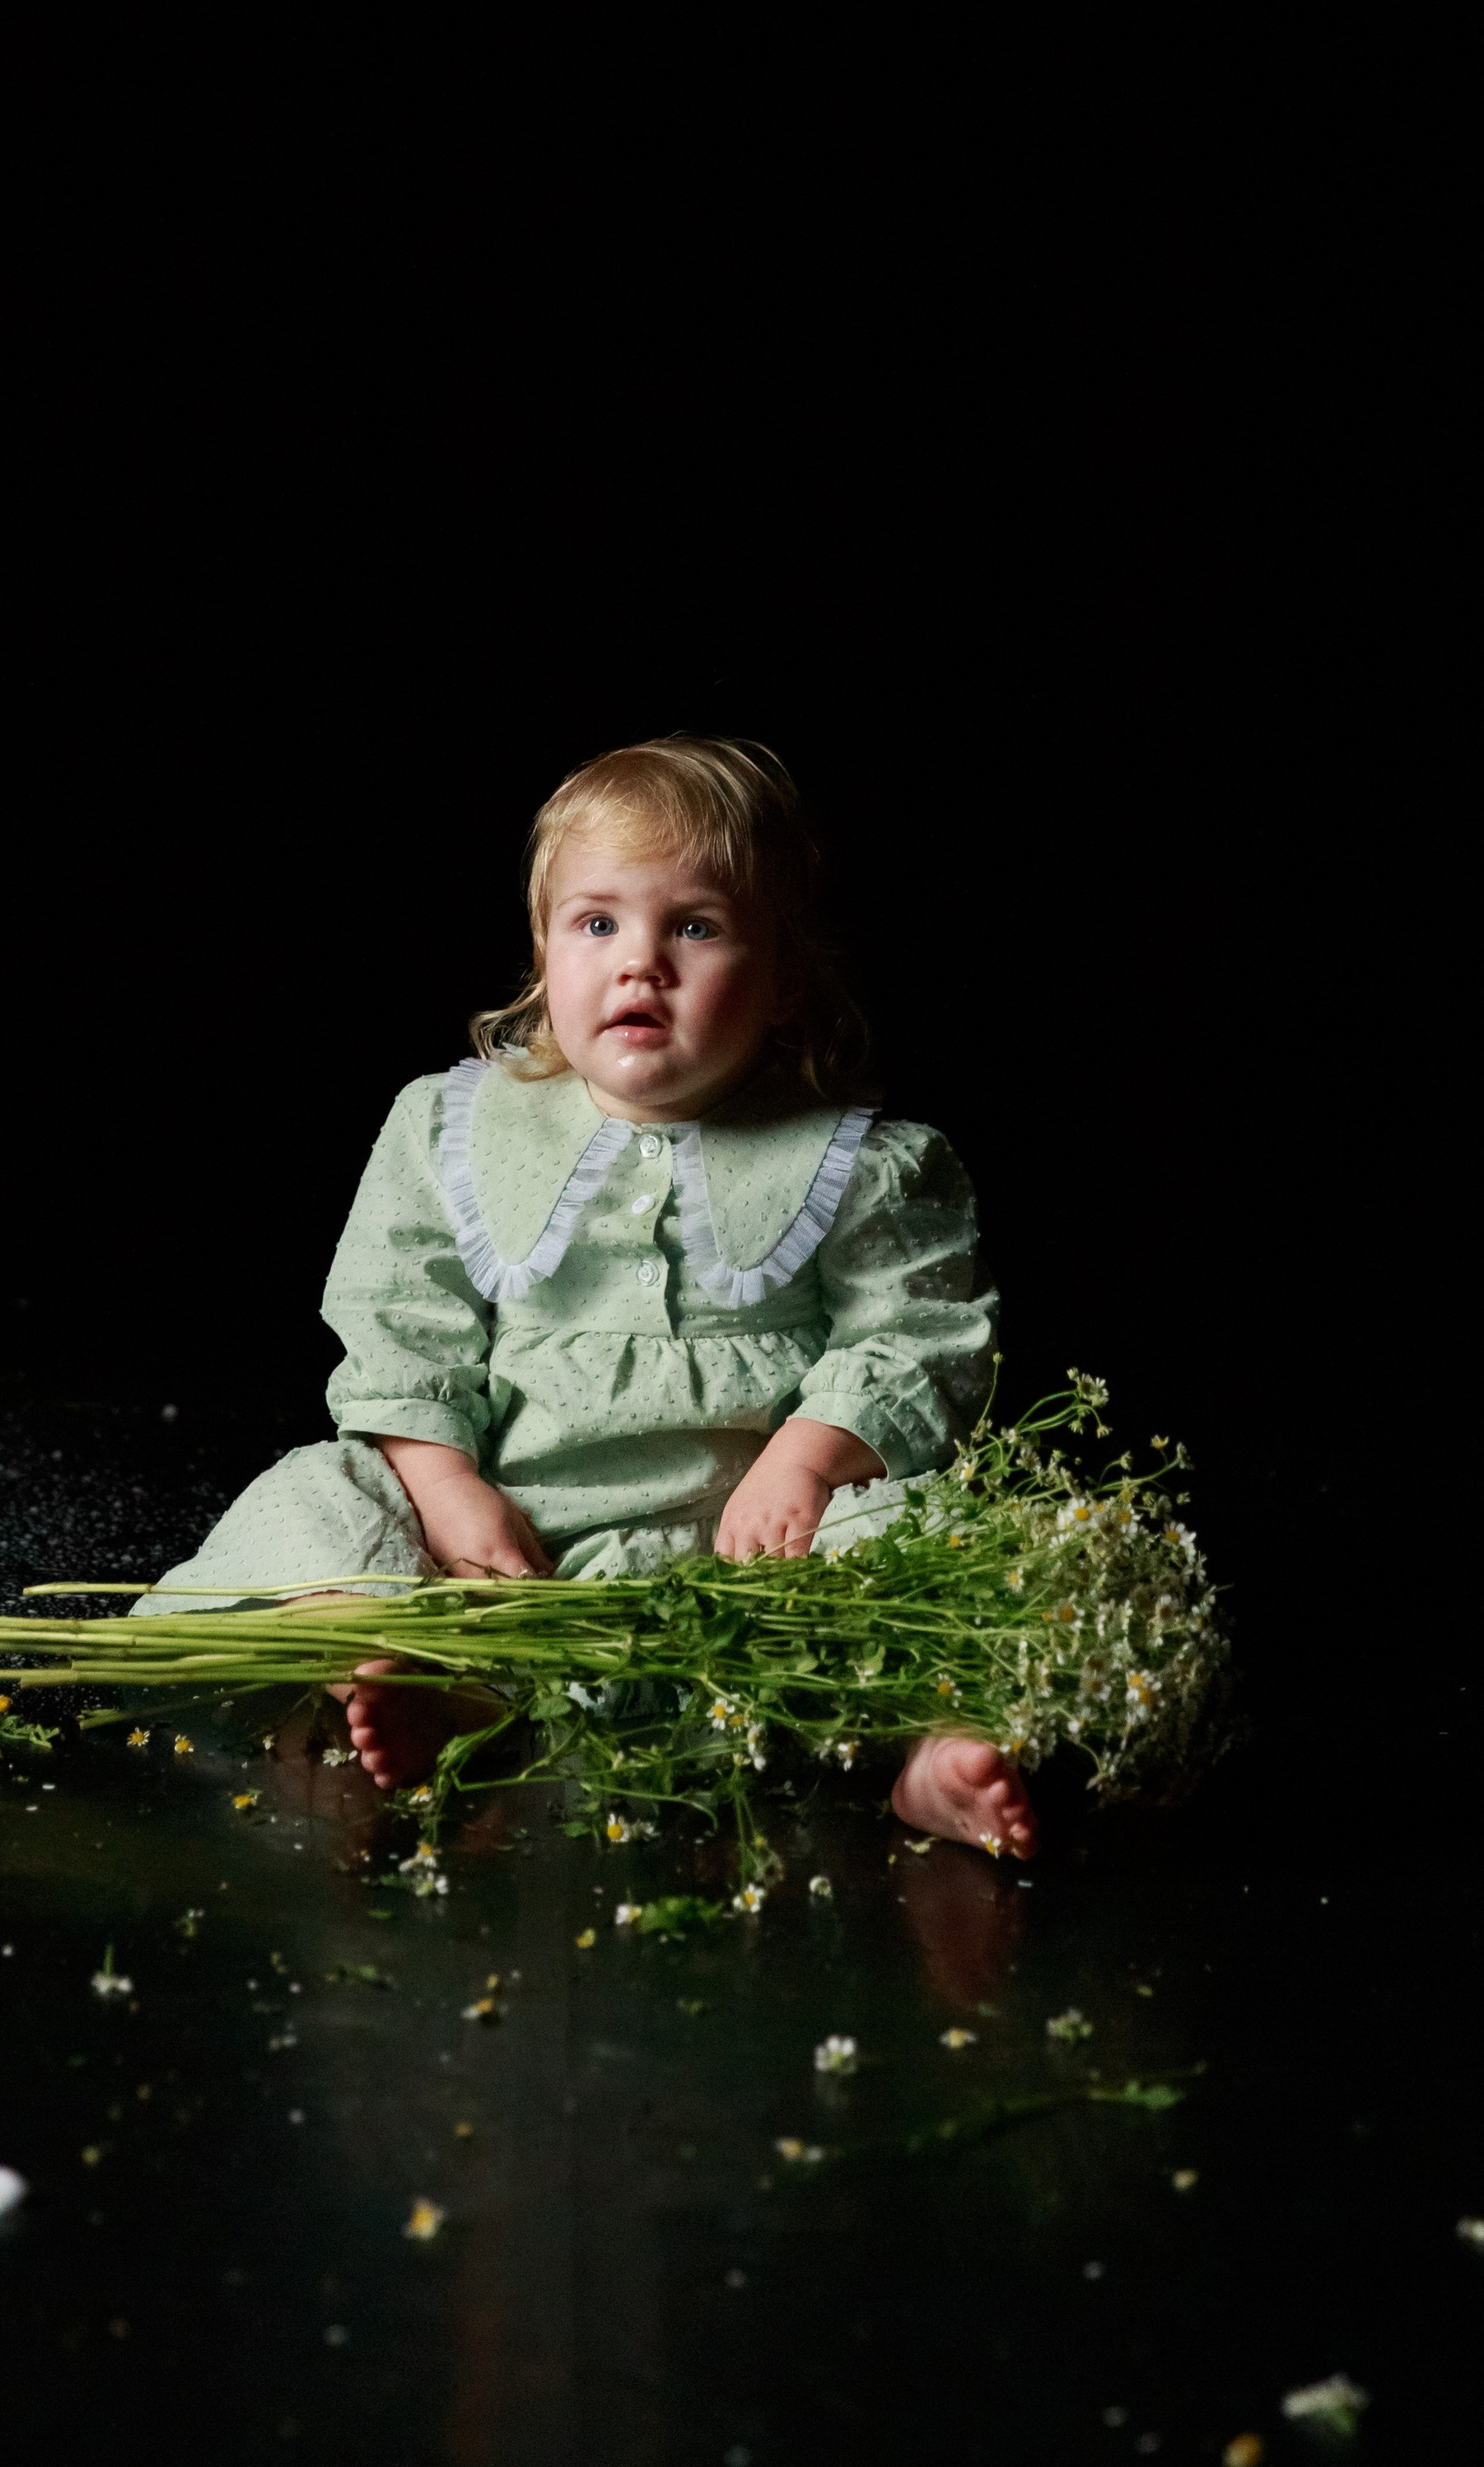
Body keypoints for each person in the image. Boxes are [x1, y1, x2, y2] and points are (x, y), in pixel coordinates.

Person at [134, 734, 1034, 1858]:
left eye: (695, 927)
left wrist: (807, 1462)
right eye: (597, 924)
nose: (640, 963)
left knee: (922, 1535)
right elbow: (402, 1328)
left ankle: (932, 1755)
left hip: (745, 1558)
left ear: (785, 977)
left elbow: (921, 1339)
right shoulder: (451, 1129)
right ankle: (394, 1656)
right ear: (543, 953)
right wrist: (445, 1485)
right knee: (328, 1490)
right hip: (503, 1544)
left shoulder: (862, 1165)